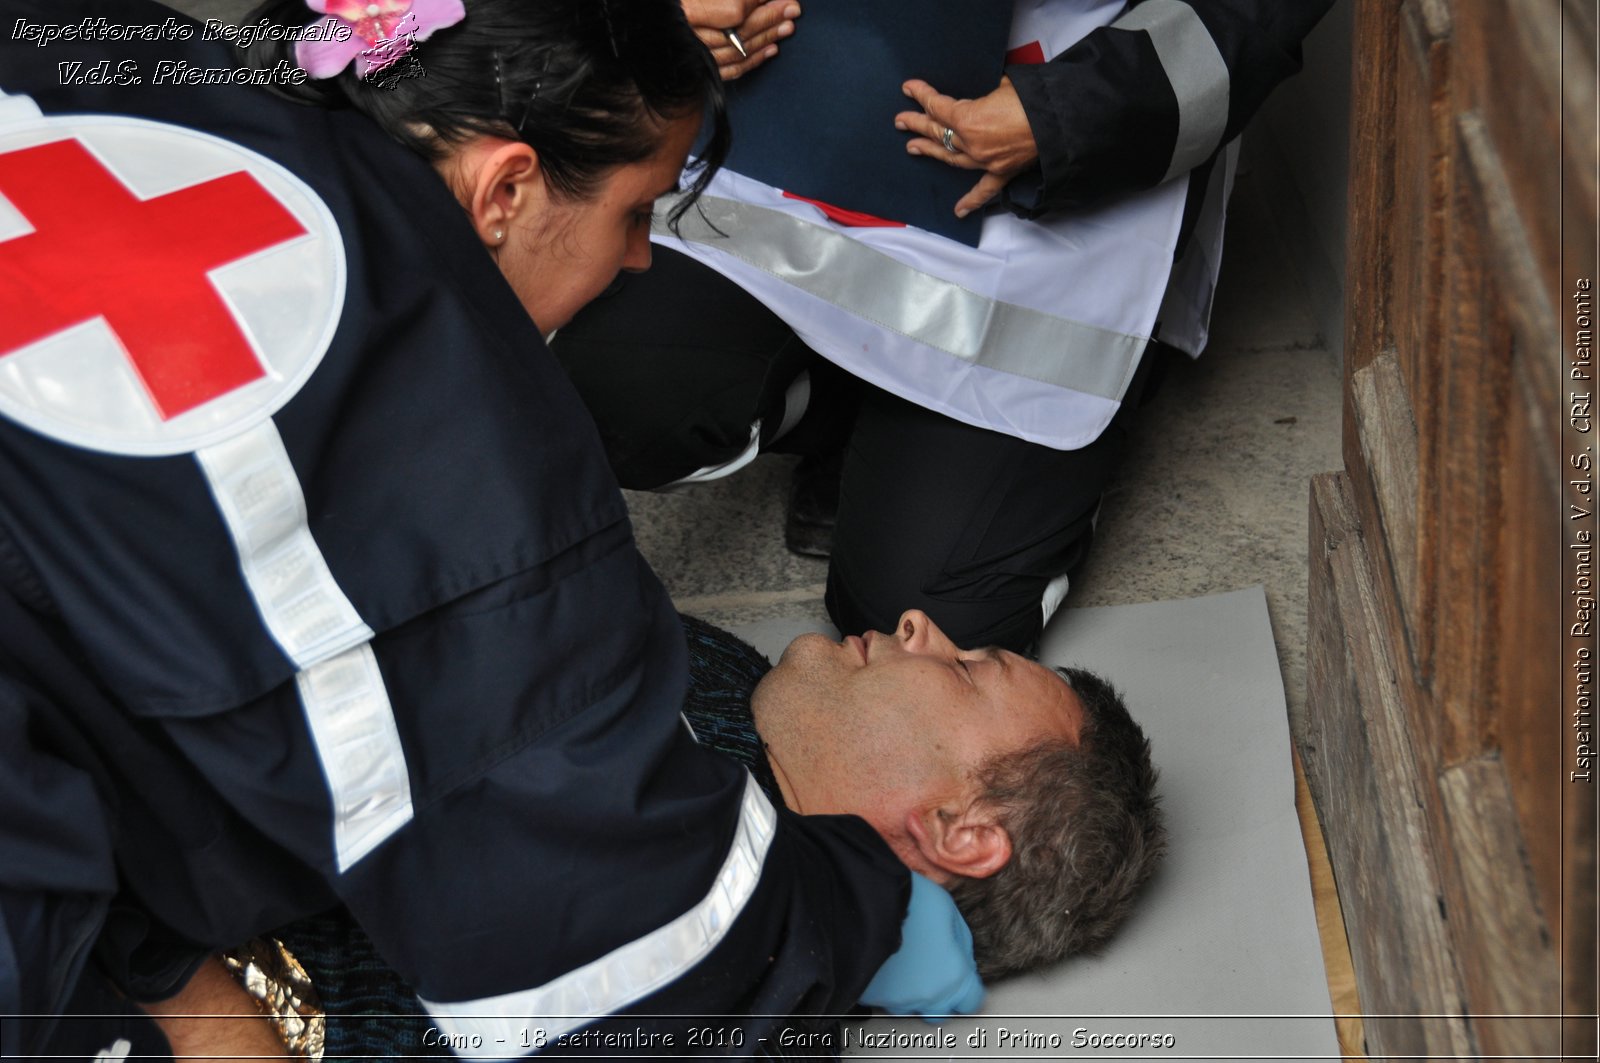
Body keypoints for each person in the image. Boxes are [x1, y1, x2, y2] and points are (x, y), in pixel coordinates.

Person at [0, 1, 980, 1058]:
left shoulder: (115, 47)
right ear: (505, 188)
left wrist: (173, 978)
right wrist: (853, 896)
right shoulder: (451, 468)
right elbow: (632, 975)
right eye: (637, 212)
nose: (639, 261)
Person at [551, 0, 1336, 653]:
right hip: (796, 104)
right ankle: (832, 414)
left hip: (1061, 125)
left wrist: (1068, 114)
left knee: (921, 630)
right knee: (610, 389)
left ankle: (1015, 451)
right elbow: (428, 42)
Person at [202, 610, 1163, 1058]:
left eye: (962, 669)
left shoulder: (728, 993)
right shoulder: (713, 666)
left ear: (961, 833)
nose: (919, 624)